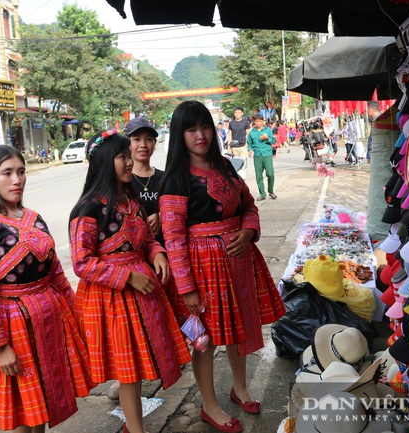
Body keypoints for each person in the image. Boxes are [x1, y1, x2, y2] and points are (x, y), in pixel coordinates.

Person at [0, 146, 95, 432]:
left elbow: (56, 275)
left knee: (40, 405)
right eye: (8, 173)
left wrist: (77, 316)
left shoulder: (34, 218)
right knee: (20, 411)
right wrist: (0, 347)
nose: (18, 180)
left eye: (21, 171)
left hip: (47, 322)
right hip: (10, 328)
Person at [158, 101, 285, 433]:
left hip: (238, 263)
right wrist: (185, 288)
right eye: (191, 129)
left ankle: (240, 388)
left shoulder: (226, 167)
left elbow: (248, 205)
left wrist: (247, 230)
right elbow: (172, 238)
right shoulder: (176, 180)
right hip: (201, 270)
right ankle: (209, 405)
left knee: (238, 326)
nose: (201, 135)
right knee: (206, 338)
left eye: (205, 127)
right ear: (179, 134)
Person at [69, 130, 190, 433]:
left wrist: (158, 253)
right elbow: (81, 263)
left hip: (142, 294)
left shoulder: (129, 199)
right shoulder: (88, 209)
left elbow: (147, 239)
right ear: (104, 162)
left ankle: (133, 427)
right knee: (128, 371)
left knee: (135, 369)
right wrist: (127, 277)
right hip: (112, 300)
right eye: (122, 156)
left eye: (127, 155)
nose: (129, 161)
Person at [102, 117, 165, 402]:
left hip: (158, 256)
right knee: (127, 328)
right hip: (126, 267)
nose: (142, 145)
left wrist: (164, 218)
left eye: (148, 139)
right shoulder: (117, 186)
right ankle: (126, 377)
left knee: (157, 320)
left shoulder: (165, 177)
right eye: (136, 140)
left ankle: (156, 364)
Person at [247, 114, 277, 201]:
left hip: (267, 154)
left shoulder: (267, 130)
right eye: (257, 121)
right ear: (254, 122)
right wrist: (250, 149)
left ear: (263, 121)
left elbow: (274, 141)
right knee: (258, 175)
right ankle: (262, 194)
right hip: (257, 155)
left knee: (270, 173)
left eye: (260, 121)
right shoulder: (252, 132)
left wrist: (267, 138)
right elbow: (249, 143)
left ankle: (271, 191)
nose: (259, 123)